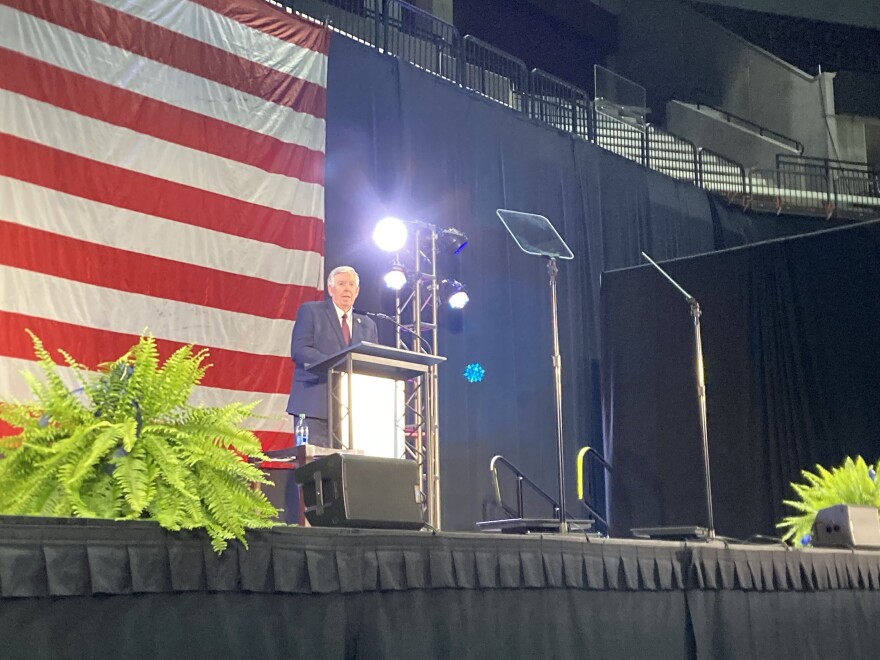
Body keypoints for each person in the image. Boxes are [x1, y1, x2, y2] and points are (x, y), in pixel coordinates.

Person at [286, 266, 378, 447]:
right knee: (314, 467)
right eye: (341, 283)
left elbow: (371, 362)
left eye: (351, 284)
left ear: (357, 291)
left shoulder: (368, 325)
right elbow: (300, 350)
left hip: (353, 411)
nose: (347, 289)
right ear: (330, 288)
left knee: (348, 470)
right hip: (314, 406)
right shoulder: (311, 312)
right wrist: (338, 365)